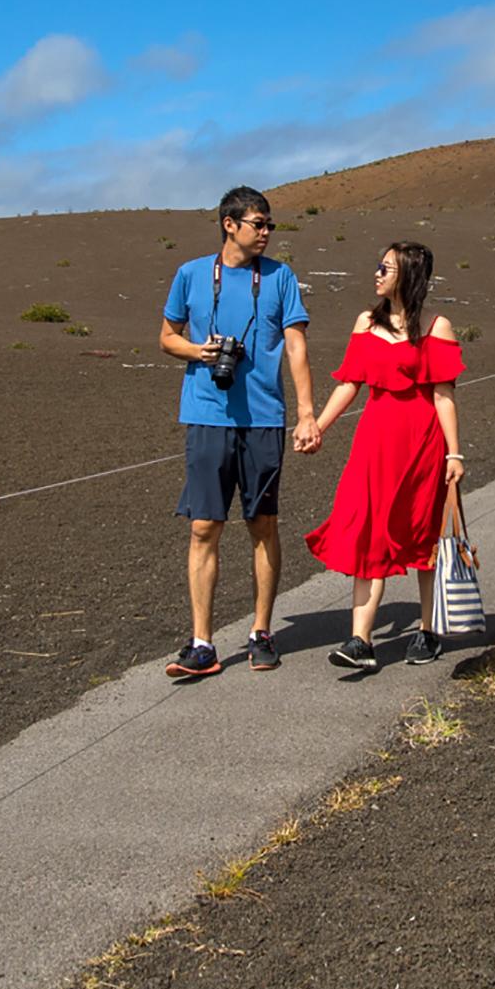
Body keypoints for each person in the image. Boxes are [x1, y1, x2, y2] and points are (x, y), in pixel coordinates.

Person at [159, 186, 319, 678]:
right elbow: (166, 337)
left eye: (270, 224)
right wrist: (197, 352)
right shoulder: (190, 274)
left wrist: (307, 412)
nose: (266, 232)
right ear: (229, 224)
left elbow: (295, 346)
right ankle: (202, 643)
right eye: (258, 223)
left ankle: (261, 631)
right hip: (207, 416)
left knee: (262, 524)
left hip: (263, 420)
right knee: (204, 526)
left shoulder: (280, 277)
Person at [304, 240, 467, 671]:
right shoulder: (365, 322)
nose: (376, 274)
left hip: (421, 444)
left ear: (409, 275)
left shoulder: (437, 326)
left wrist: (454, 454)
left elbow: (443, 395)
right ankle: (360, 640)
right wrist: (317, 427)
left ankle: (428, 630)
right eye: (378, 266)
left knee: (421, 533)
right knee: (367, 529)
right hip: (373, 442)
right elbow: (348, 383)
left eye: (386, 268)